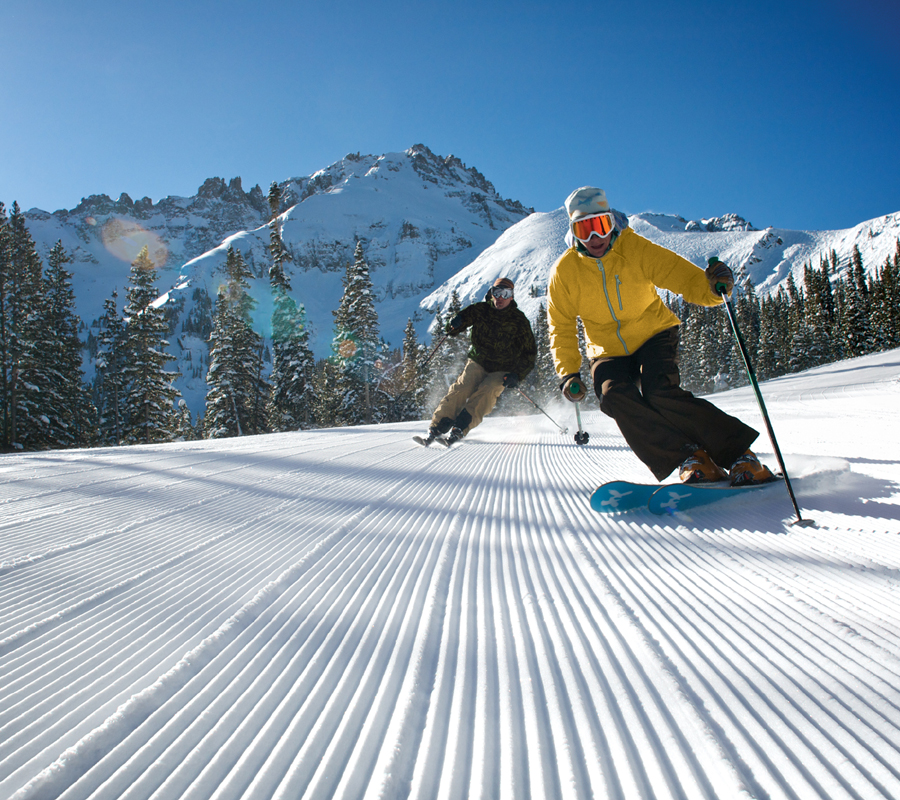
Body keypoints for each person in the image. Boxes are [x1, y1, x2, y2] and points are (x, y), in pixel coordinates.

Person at [547, 186, 776, 485]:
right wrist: (568, 373)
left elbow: (680, 275)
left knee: (660, 391)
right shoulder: (565, 272)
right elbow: (560, 326)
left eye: (600, 226)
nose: (595, 238)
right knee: (613, 395)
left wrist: (714, 287)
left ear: (612, 222)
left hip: (654, 332)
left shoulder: (635, 249)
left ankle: (740, 456)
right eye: (585, 229)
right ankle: (689, 457)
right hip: (607, 349)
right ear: (574, 232)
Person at [420, 277, 537, 446]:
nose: (500, 298)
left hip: (503, 368)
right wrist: (455, 323)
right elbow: (454, 327)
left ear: (512, 296)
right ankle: (437, 427)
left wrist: (516, 375)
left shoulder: (519, 320)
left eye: (505, 293)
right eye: (497, 293)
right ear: (492, 293)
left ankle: (460, 428)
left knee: (487, 390)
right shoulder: (480, 310)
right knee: (462, 387)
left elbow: (529, 353)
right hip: (479, 361)